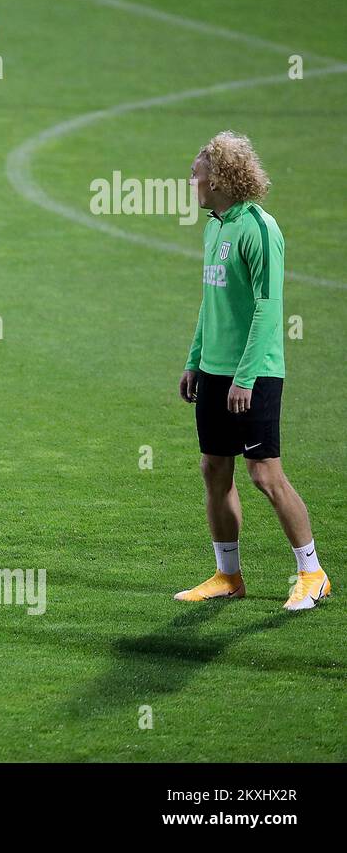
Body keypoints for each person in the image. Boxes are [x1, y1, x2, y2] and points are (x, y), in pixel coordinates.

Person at [176, 132, 330, 611]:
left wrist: (245, 376)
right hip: (216, 370)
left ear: (218, 178)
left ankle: (313, 573)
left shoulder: (259, 228)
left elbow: (268, 306)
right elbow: (211, 301)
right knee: (214, 468)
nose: (191, 182)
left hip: (255, 372)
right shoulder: (214, 225)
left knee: (264, 474)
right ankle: (228, 575)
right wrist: (194, 360)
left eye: (196, 174)